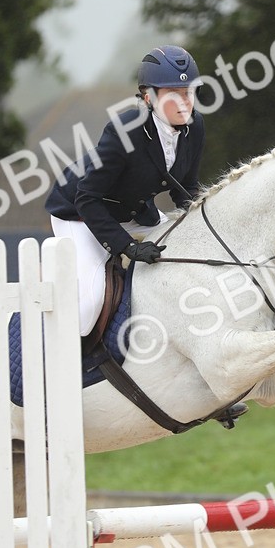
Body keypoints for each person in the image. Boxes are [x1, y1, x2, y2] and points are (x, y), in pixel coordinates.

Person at [45, 44, 205, 337]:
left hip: (132, 210)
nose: (183, 103)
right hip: (79, 213)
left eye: (188, 93)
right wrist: (127, 247)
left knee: (186, 252)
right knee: (90, 302)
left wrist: (204, 225)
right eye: (172, 95)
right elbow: (87, 198)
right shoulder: (127, 129)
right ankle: (76, 366)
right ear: (149, 97)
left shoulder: (194, 127)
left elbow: (186, 190)